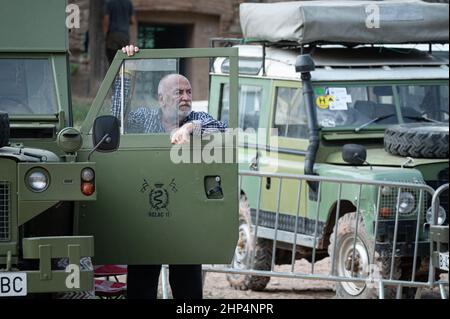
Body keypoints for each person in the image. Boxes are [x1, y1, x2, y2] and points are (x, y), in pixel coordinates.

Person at [116, 45, 227, 299]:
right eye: (179, 92)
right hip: (147, 215)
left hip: (185, 218)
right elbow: (116, 117)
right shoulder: (144, 118)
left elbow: (221, 128)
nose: (186, 97)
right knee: (141, 286)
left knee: (188, 289)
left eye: (189, 91)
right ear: (162, 98)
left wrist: (189, 128)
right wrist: (128, 68)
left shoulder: (199, 116)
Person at [103, 0, 136, 65]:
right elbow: (133, 20)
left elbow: (106, 20)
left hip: (113, 35)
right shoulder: (128, 3)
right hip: (124, 36)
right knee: (124, 59)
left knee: (112, 60)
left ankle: (114, 74)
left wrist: (105, 35)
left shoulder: (109, 2)